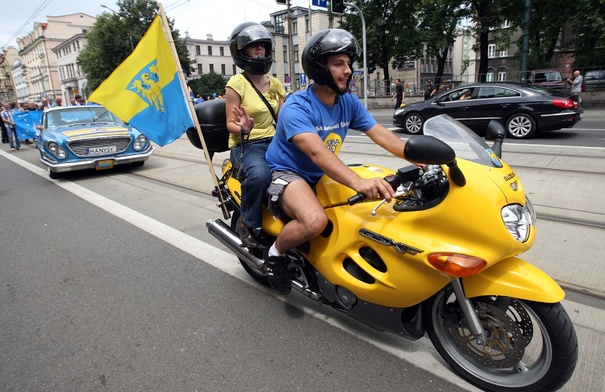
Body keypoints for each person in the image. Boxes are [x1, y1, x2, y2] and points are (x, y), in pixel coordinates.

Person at [263, 29, 410, 294]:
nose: (348, 71)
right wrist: (359, 183)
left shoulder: (348, 102)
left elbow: (382, 135)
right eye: (338, 64)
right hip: (289, 172)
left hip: (320, 173)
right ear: (319, 68)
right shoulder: (297, 107)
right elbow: (317, 153)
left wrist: (420, 157)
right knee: (314, 222)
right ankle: (275, 255)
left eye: (349, 64)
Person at [225, 22, 285, 248]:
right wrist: (243, 128)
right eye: (254, 47)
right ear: (241, 52)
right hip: (247, 145)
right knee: (260, 176)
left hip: (274, 142)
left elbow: (283, 118)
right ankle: (247, 222)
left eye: (263, 46)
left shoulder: (276, 84)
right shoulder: (236, 83)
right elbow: (230, 123)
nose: (260, 51)